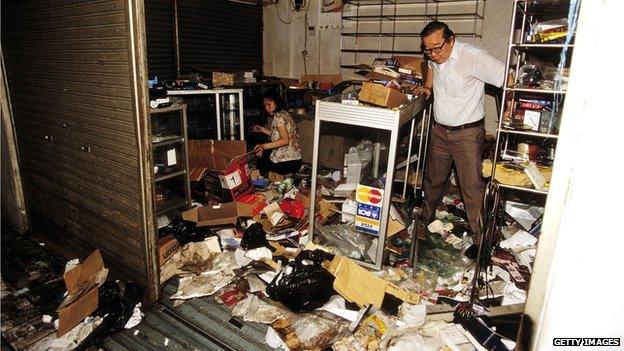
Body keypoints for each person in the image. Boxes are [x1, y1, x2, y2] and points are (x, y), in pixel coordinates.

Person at [416, 21, 505, 258]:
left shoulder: (472, 57)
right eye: (428, 50)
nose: (433, 54)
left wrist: (508, 111)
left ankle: (481, 239)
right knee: (433, 177)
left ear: (451, 40)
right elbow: (431, 66)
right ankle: (426, 215)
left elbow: (506, 77)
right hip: (440, 130)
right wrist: (427, 86)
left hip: (467, 133)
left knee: (471, 188)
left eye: (437, 48)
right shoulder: (434, 57)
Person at [252, 89, 302, 176]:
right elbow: (277, 136)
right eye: (265, 106)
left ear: (276, 101)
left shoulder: (279, 118)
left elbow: (285, 140)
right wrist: (262, 129)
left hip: (285, 163)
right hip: (296, 161)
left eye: (269, 104)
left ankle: (262, 181)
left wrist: (263, 146)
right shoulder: (285, 114)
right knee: (265, 149)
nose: (267, 108)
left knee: (261, 154)